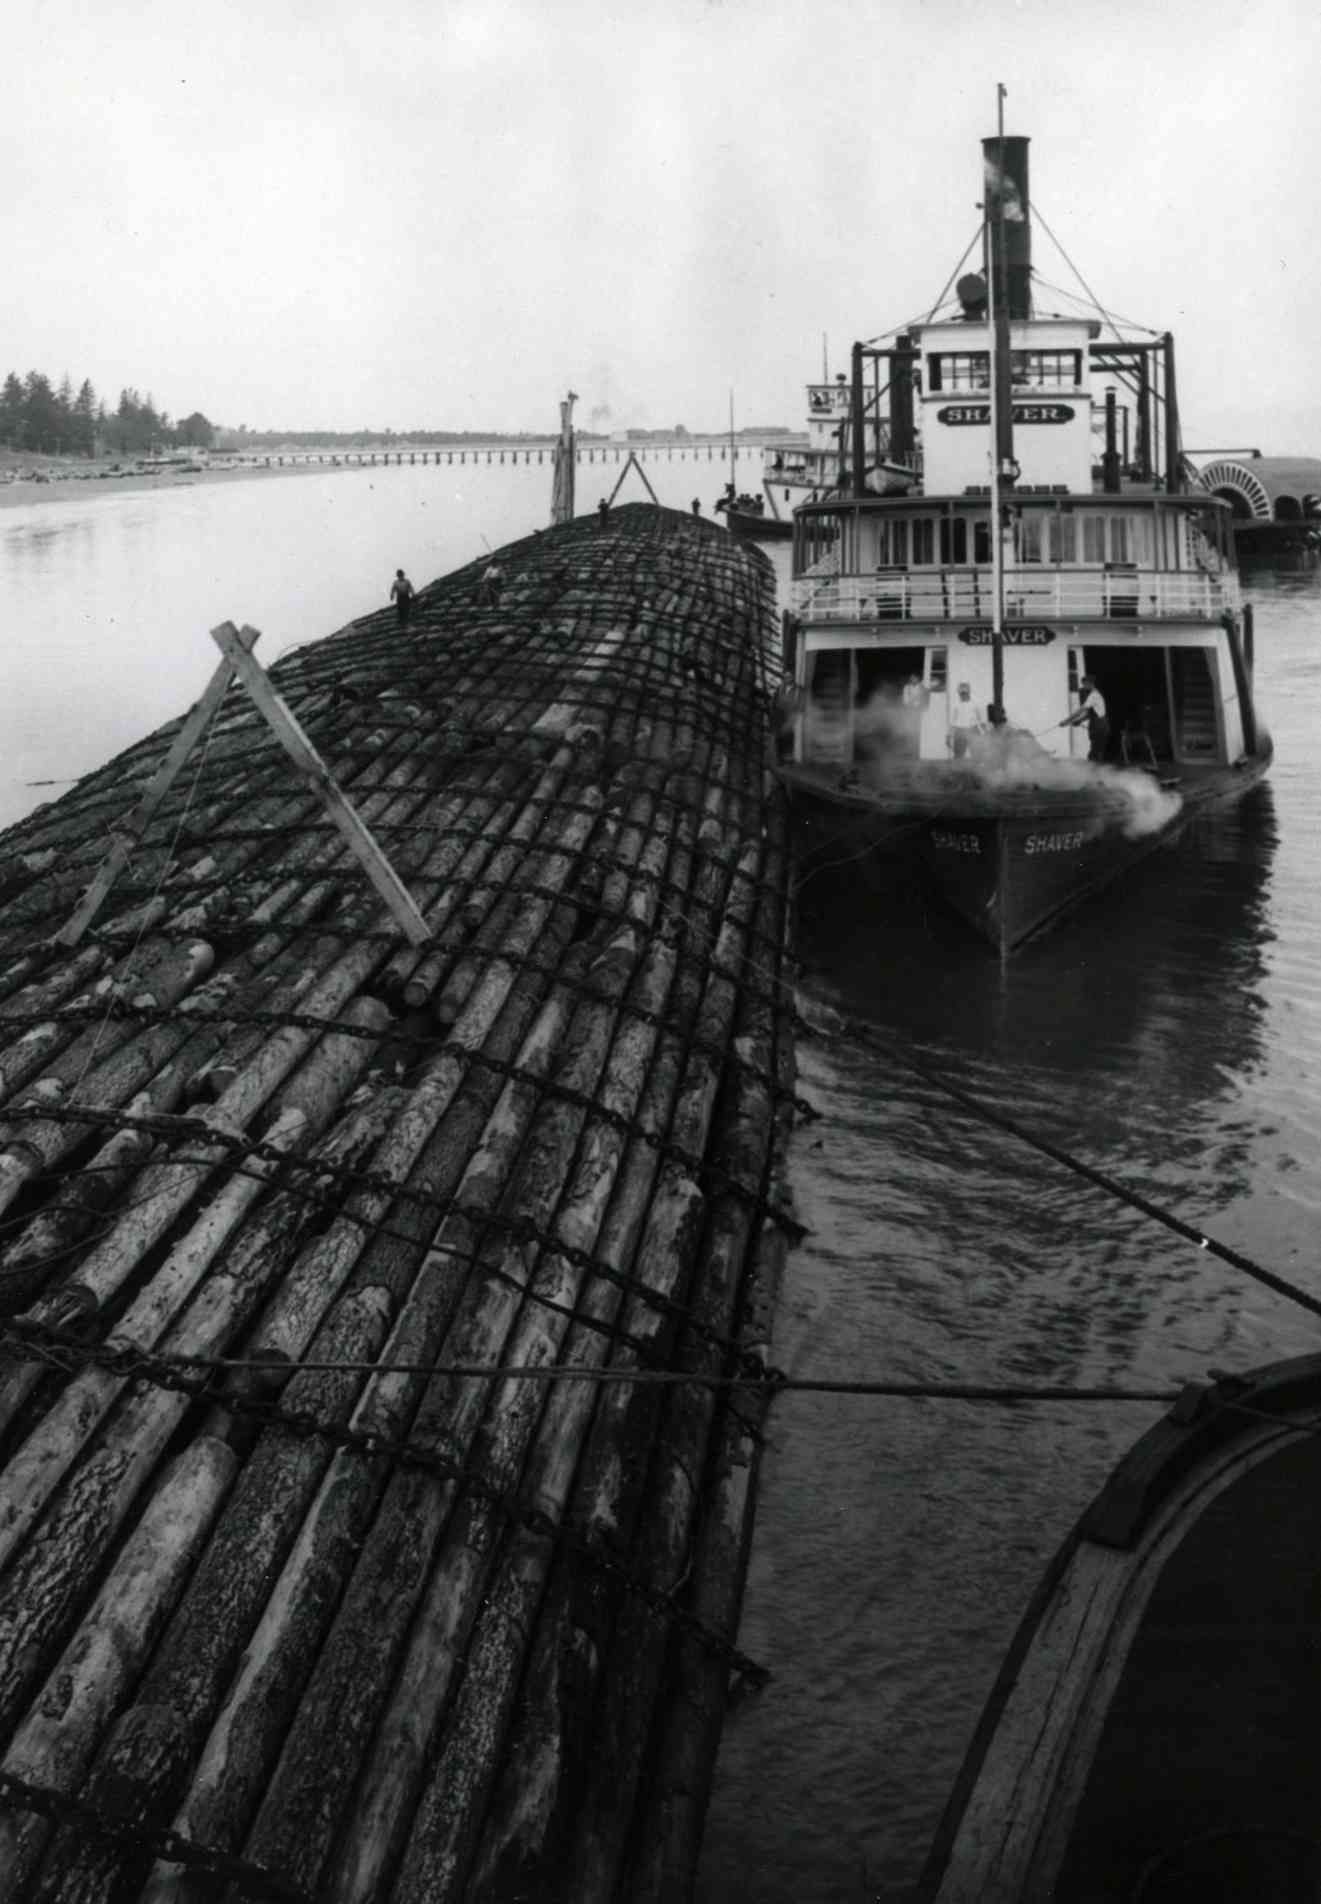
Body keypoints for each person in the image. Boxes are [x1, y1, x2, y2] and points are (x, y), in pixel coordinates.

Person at [1064, 674, 1110, 762]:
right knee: (1096, 752)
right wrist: (1078, 721)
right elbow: (1089, 714)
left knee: (1095, 754)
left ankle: (1095, 773)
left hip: (1099, 726)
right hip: (1098, 725)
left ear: (1090, 683)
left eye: (1084, 684)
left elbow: (1081, 710)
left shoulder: (1094, 696)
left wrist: (1066, 721)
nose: (1083, 687)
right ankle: (1097, 772)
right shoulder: (1094, 695)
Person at [948, 681, 982, 759]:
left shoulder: (975, 703)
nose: (963, 695)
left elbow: (979, 720)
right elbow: (953, 721)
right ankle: (957, 770)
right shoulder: (955, 704)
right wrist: (949, 735)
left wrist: (982, 733)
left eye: (965, 693)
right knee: (958, 756)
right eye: (961, 693)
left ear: (969, 692)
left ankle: (976, 770)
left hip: (972, 730)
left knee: (976, 755)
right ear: (959, 693)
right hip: (959, 731)